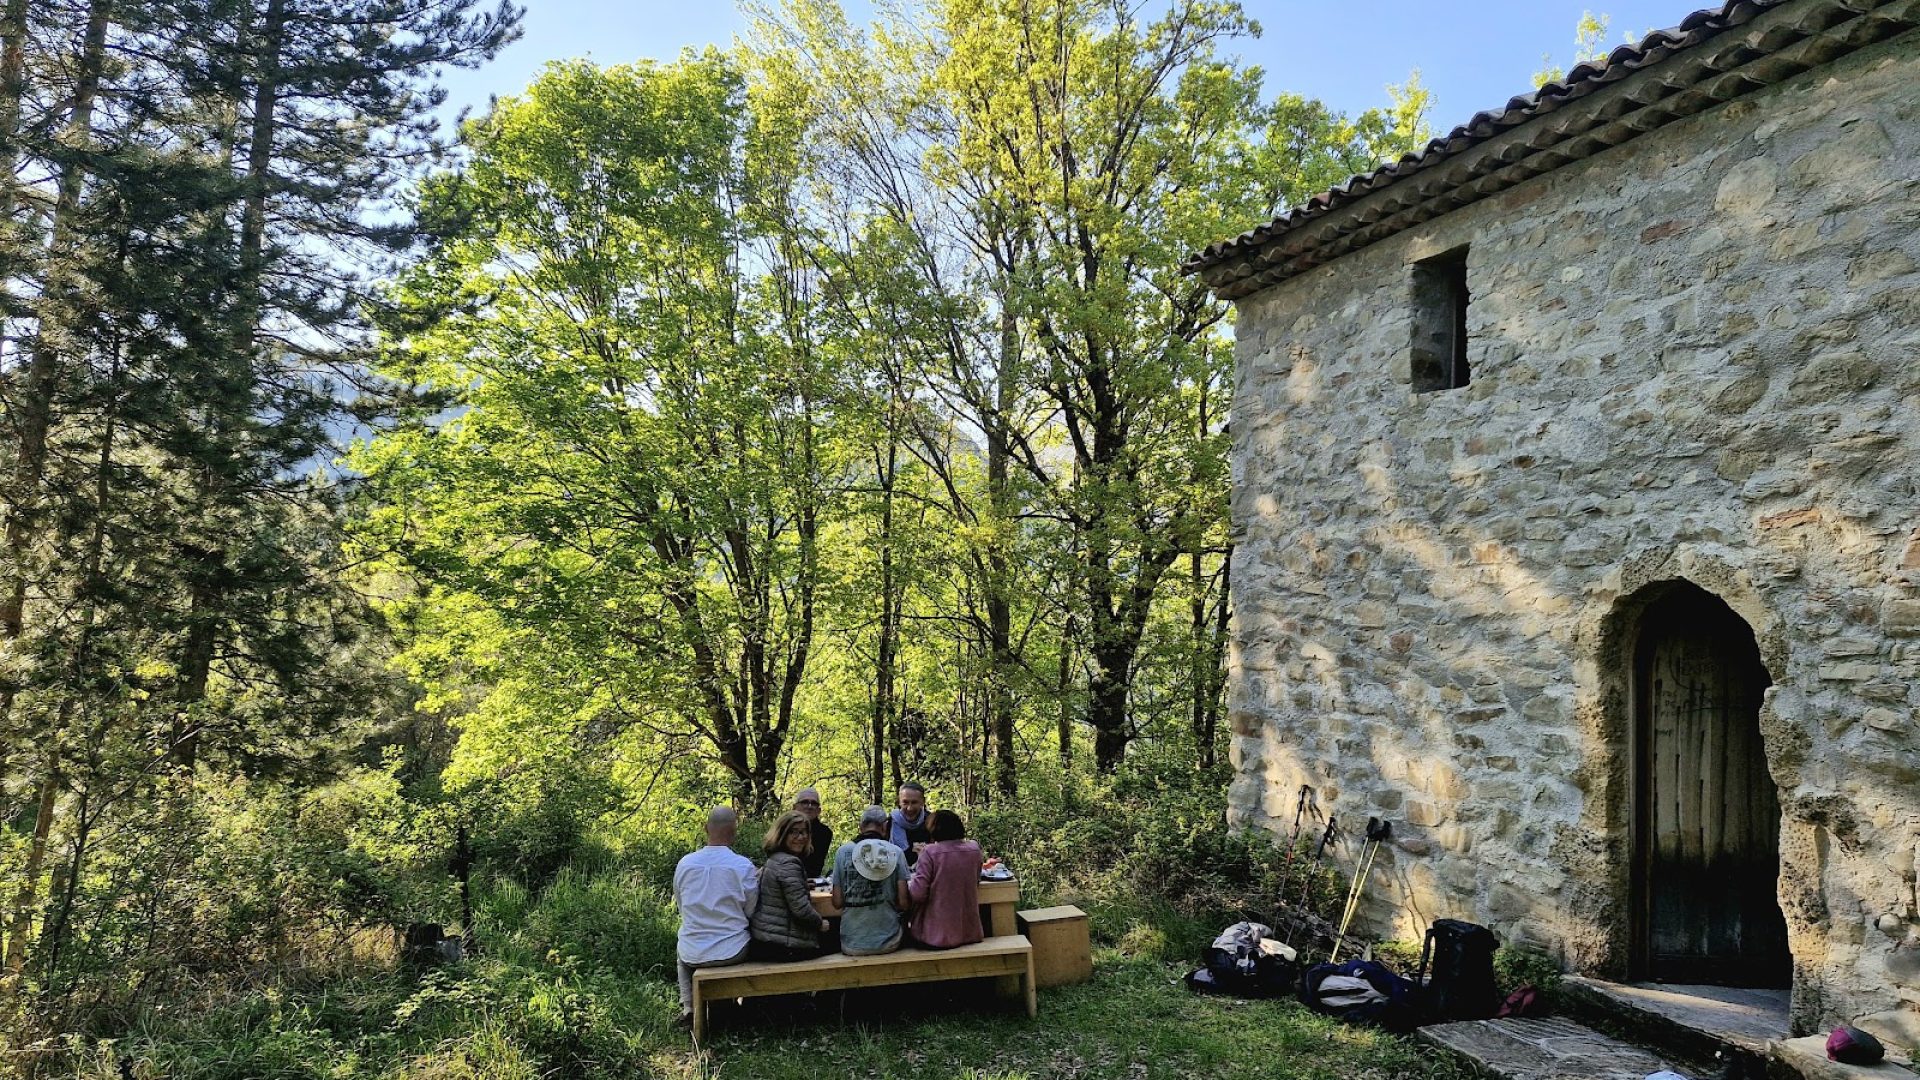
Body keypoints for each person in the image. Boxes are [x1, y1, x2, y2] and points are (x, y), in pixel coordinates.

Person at [672, 806, 757, 1026]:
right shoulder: (743, 866)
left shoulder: (684, 864)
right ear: (734, 832)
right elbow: (751, 911)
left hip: (692, 951)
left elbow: (683, 907)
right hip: (732, 949)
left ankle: (688, 1007)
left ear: (705, 828)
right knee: (750, 937)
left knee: (682, 952)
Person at [749, 811, 832, 961]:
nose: (801, 837)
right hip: (784, 946)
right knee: (838, 939)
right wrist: (821, 923)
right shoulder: (789, 864)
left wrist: (801, 885)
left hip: (765, 939)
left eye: (804, 832)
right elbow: (801, 910)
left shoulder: (775, 859)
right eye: (793, 832)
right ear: (782, 834)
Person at [832, 805, 908, 955]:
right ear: (884, 827)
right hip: (889, 942)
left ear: (860, 827)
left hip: (851, 943)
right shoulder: (896, 852)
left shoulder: (843, 852)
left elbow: (837, 902)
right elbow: (904, 903)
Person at [907, 808, 984, 949]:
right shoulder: (974, 849)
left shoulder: (929, 852)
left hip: (935, 936)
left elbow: (917, 894)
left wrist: (911, 880)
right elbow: (976, 881)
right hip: (970, 932)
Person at [792, 786, 833, 878]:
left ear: (819, 810)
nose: (809, 806)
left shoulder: (824, 833)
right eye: (805, 802)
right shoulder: (784, 827)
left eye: (814, 803)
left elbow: (815, 866)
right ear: (794, 807)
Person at [888, 782, 932, 865]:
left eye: (914, 802)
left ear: (923, 802)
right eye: (905, 802)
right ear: (899, 802)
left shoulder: (931, 822)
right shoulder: (889, 823)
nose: (909, 808)